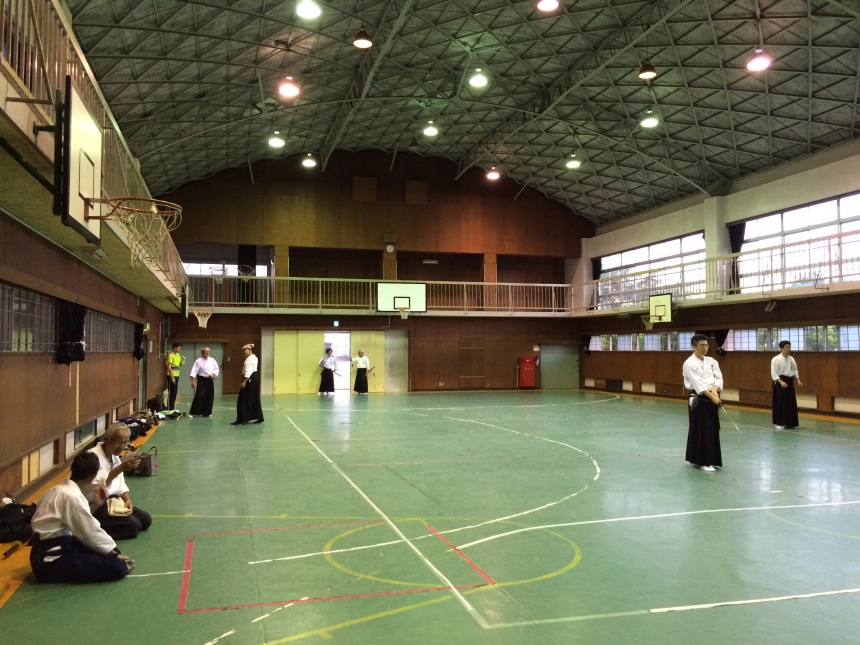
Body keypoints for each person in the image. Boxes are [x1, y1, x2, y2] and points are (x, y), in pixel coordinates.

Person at [30, 452, 133, 584]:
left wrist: (96, 504)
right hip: (50, 562)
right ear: (93, 475)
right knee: (116, 566)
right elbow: (89, 531)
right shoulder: (71, 496)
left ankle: (110, 557)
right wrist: (112, 554)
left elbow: (78, 520)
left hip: (49, 550)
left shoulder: (56, 490)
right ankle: (115, 562)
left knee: (107, 552)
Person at [86, 423, 152, 540]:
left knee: (145, 520)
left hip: (114, 501)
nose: (122, 447)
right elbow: (94, 484)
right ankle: (92, 533)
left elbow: (120, 482)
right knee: (133, 526)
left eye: (125, 443)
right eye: (118, 443)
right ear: (107, 439)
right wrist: (121, 468)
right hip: (97, 504)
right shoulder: (91, 457)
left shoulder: (115, 456)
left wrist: (127, 499)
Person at [682, 334, 723, 472]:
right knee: (702, 429)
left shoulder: (712, 361)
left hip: (712, 396)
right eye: (701, 345)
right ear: (694, 347)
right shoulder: (689, 363)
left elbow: (719, 377)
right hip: (699, 400)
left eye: (706, 345)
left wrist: (715, 391)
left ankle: (712, 459)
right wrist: (712, 396)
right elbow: (697, 383)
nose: (705, 348)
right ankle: (703, 462)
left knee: (712, 428)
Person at [772, 340, 802, 429]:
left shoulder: (791, 359)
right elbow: (774, 372)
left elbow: (795, 369)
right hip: (780, 382)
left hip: (789, 381)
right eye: (787, 347)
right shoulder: (776, 359)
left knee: (790, 403)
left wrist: (798, 380)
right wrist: (781, 382)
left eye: (789, 347)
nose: (789, 349)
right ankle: (779, 423)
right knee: (781, 402)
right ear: (781, 348)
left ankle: (791, 423)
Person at [233, 343, 264, 425]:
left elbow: (248, 371)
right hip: (254, 380)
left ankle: (243, 419)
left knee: (243, 400)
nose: (244, 352)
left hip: (249, 379)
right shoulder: (255, 358)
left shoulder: (249, 360)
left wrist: (244, 381)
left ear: (250, 350)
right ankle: (259, 417)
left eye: (245, 350)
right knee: (254, 398)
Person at [188, 347, 220, 418]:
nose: (207, 352)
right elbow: (194, 371)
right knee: (200, 396)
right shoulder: (198, 361)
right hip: (202, 380)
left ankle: (207, 413)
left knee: (209, 396)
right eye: (206, 351)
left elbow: (216, 369)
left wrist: (213, 373)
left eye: (208, 351)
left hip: (210, 380)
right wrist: (192, 381)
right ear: (202, 352)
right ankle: (194, 412)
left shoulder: (212, 360)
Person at [166, 342, 185, 410]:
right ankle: (169, 408)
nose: (180, 349)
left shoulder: (178, 355)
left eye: (180, 348)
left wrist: (183, 360)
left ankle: (172, 407)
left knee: (174, 392)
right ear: (174, 348)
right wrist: (172, 377)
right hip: (171, 375)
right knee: (171, 392)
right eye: (179, 348)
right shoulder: (171, 355)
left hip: (177, 375)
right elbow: (169, 367)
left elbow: (180, 364)